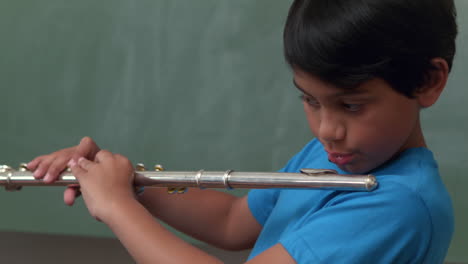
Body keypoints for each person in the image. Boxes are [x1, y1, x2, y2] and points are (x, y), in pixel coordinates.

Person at [26, 0, 458, 263]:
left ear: (427, 81)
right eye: (310, 100)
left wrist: (118, 208)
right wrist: (123, 180)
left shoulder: (400, 207)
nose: (327, 130)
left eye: (351, 105)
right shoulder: (333, 154)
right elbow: (233, 222)